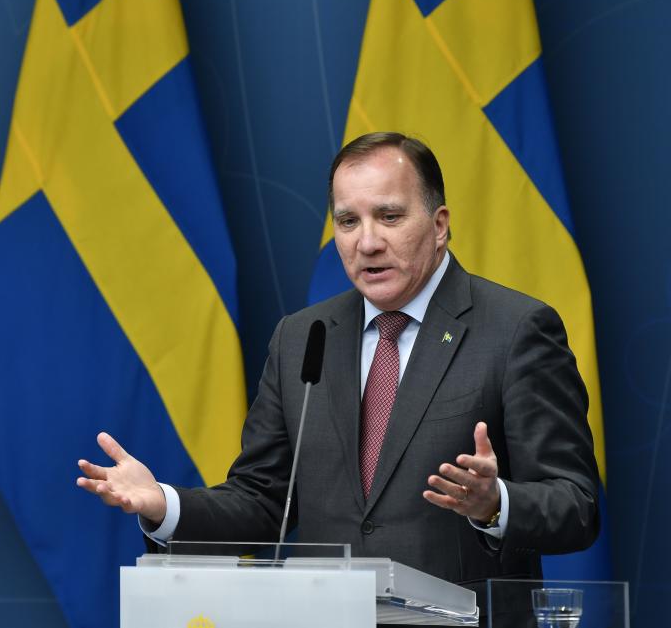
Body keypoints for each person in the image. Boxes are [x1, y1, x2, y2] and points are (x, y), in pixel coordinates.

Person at [76, 132, 599, 587]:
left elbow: (576, 505)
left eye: (389, 216)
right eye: (348, 221)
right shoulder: (302, 337)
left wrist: (495, 503)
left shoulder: (515, 329)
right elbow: (264, 503)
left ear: (439, 225)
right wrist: (164, 505)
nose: (367, 241)